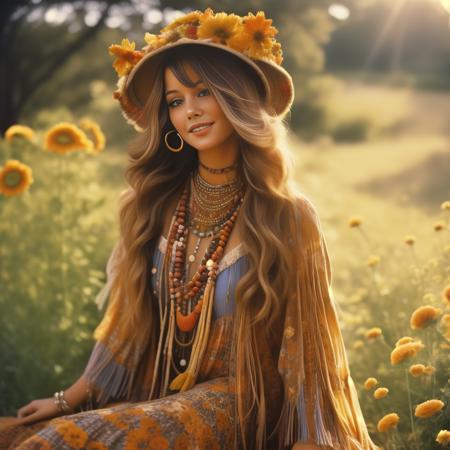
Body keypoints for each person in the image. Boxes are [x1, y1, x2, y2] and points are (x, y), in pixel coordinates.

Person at [0, 8, 380, 450]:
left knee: (62, 444)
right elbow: (127, 326)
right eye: (176, 100)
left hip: (240, 404)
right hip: (156, 393)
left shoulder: (287, 215)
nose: (190, 111)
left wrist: (313, 438)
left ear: (235, 97)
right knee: (25, 436)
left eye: (203, 92)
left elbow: (310, 348)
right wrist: (69, 398)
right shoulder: (150, 205)